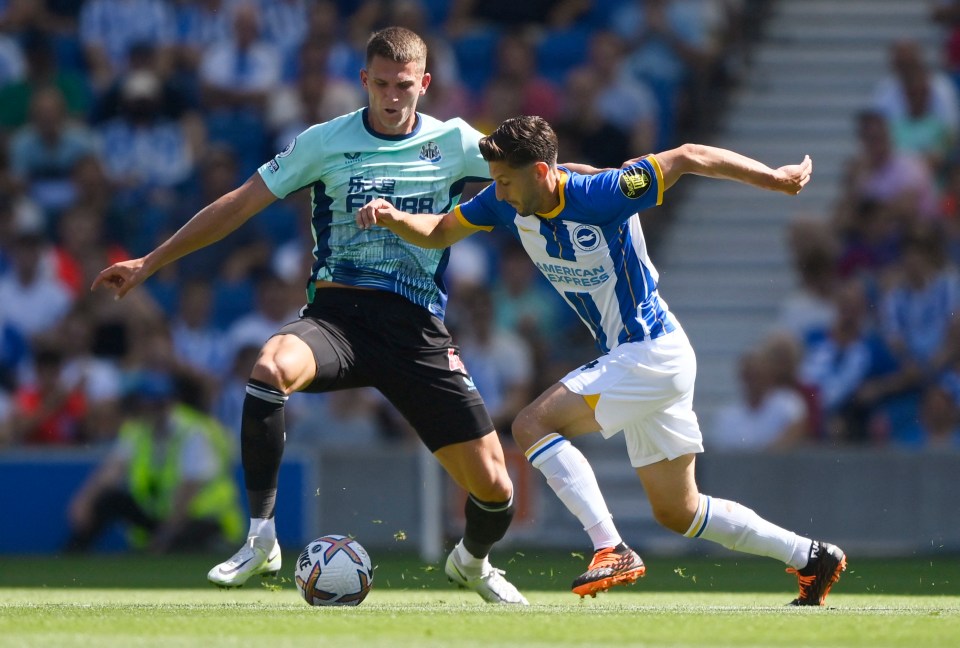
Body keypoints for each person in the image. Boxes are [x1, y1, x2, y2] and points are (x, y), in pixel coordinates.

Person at [92, 26, 545, 605]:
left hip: (416, 332)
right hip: (338, 318)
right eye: (379, 83)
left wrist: (627, 179)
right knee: (269, 367)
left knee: (495, 490)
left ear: (424, 84)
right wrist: (152, 262)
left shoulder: (454, 141)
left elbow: (535, 171)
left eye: (403, 85)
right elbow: (241, 202)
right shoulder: (323, 141)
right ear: (363, 81)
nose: (390, 95)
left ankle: (472, 564)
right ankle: (261, 539)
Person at [356, 115, 848, 605]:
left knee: (531, 425)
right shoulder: (504, 202)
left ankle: (610, 547)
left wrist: (774, 178)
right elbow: (442, 229)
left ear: (543, 173)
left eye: (506, 181)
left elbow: (689, 155)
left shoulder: (603, 193)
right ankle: (811, 556)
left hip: (650, 349)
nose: (499, 192)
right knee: (680, 511)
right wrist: (395, 217)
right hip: (644, 358)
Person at [65, 370, 243, 553]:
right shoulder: (138, 429)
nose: (149, 410)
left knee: (190, 541)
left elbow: (188, 492)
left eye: (155, 405)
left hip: (204, 518)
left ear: (169, 403)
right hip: (161, 516)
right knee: (109, 500)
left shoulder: (194, 432)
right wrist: (84, 499)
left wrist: (163, 538)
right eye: (145, 405)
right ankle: (72, 555)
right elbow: (112, 470)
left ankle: (215, 546)